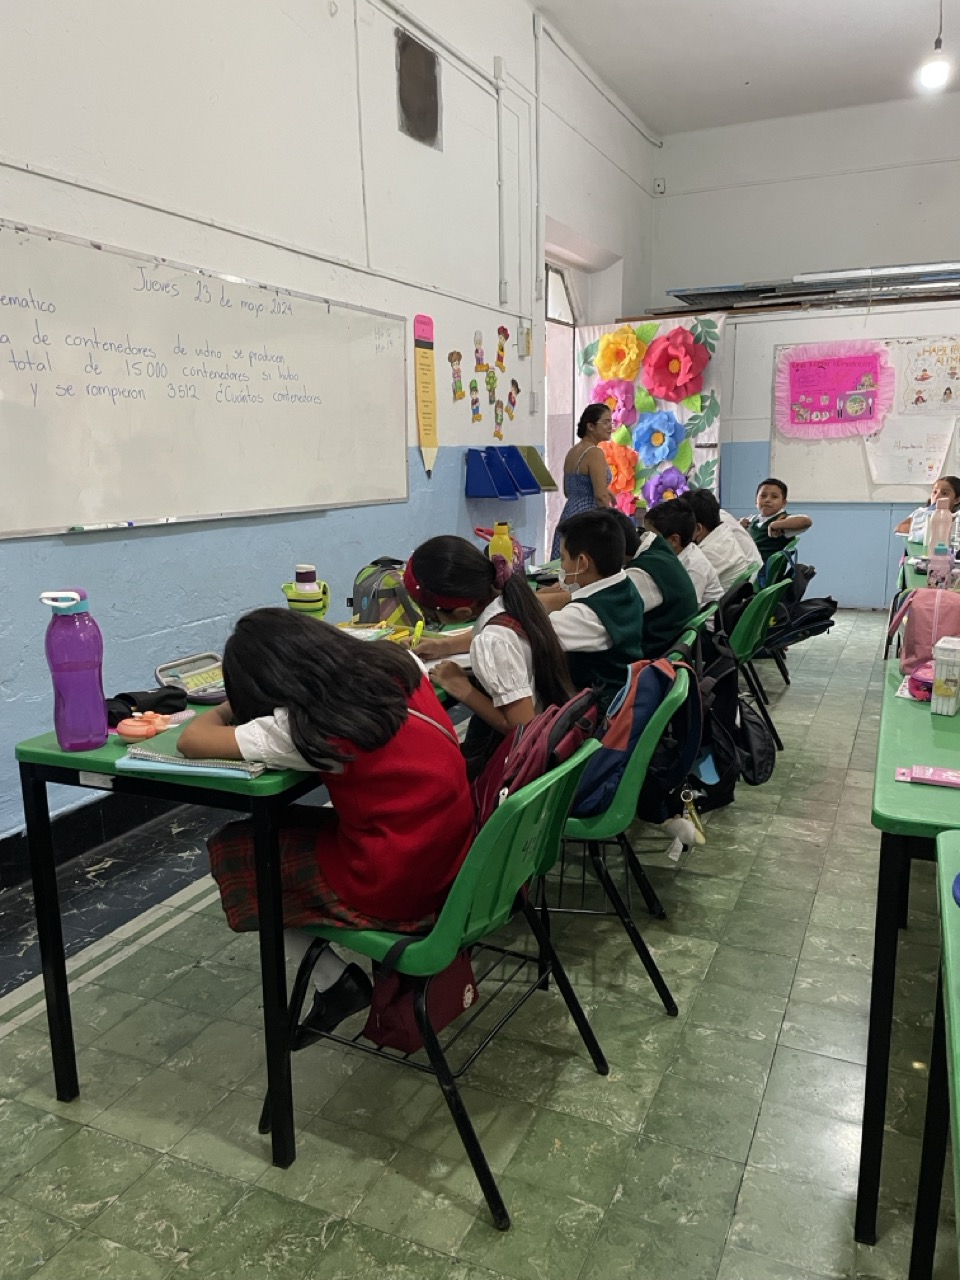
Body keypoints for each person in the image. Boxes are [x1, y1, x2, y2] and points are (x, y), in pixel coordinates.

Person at [180, 608, 474, 1045]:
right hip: (450, 858)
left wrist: (230, 705)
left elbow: (191, 740)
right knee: (285, 828)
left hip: (395, 883)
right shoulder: (398, 665)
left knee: (242, 851)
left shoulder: (307, 725)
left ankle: (334, 983)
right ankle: (335, 982)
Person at [404, 537, 572, 774]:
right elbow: (494, 634)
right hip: (553, 728)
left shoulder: (492, 640)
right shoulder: (509, 596)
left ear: (463, 611)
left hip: (516, 762)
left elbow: (523, 728)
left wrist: (461, 687)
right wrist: (443, 646)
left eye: (431, 616)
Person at [538, 509, 645, 711]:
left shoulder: (587, 615)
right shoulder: (624, 585)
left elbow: (527, 632)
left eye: (562, 559)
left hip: (594, 712)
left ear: (583, 563)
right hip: (621, 698)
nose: (562, 567)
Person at [609, 509, 698, 657]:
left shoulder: (642, 572)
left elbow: (607, 612)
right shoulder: (659, 552)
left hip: (653, 658)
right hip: (672, 647)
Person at [550, 404, 615, 559]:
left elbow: (568, 490)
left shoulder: (573, 451)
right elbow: (600, 497)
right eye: (605, 422)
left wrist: (604, 490)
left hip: (569, 514)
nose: (610, 427)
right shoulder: (594, 453)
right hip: (588, 518)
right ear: (590, 426)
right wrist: (614, 524)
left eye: (611, 422)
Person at [645, 497, 724, 606]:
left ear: (674, 540)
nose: (645, 541)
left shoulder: (694, 567)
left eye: (651, 536)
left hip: (698, 621)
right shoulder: (681, 552)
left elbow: (686, 609)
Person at [686, 488, 762, 590]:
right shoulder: (721, 527)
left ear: (698, 528)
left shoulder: (709, 552)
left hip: (732, 597)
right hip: (744, 588)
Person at [740, 478, 812, 561]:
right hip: (746, 563)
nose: (767, 500)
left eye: (774, 497)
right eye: (763, 496)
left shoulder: (783, 520)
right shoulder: (752, 519)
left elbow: (806, 521)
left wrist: (776, 524)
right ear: (756, 501)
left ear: (783, 503)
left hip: (759, 570)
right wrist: (738, 525)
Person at [894, 475, 960, 535]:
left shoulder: (956, 518)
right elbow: (899, 528)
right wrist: (923, 529)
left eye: (945, 493)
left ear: (957, 500)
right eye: (934, 492)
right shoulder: (921, 513)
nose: (937, 497)